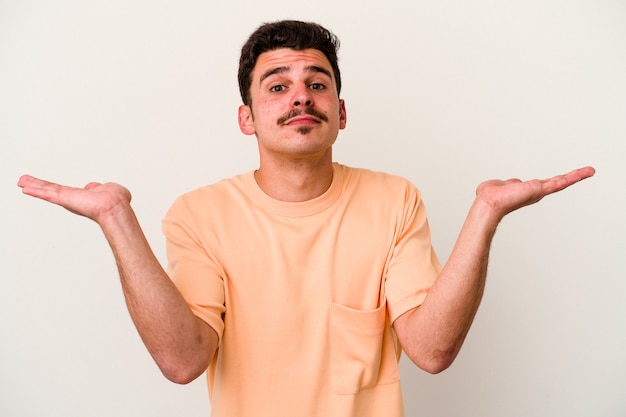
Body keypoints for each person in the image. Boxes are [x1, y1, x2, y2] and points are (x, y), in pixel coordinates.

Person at [18, 20, 594, 417]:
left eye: (317, 84)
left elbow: (432, 351)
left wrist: (486, 213)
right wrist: (116, 219)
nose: (301, 97)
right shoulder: (198, 214)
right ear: (247, 118)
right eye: (278, 86)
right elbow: (183, 360)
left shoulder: (394, 199)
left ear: (340, 113)